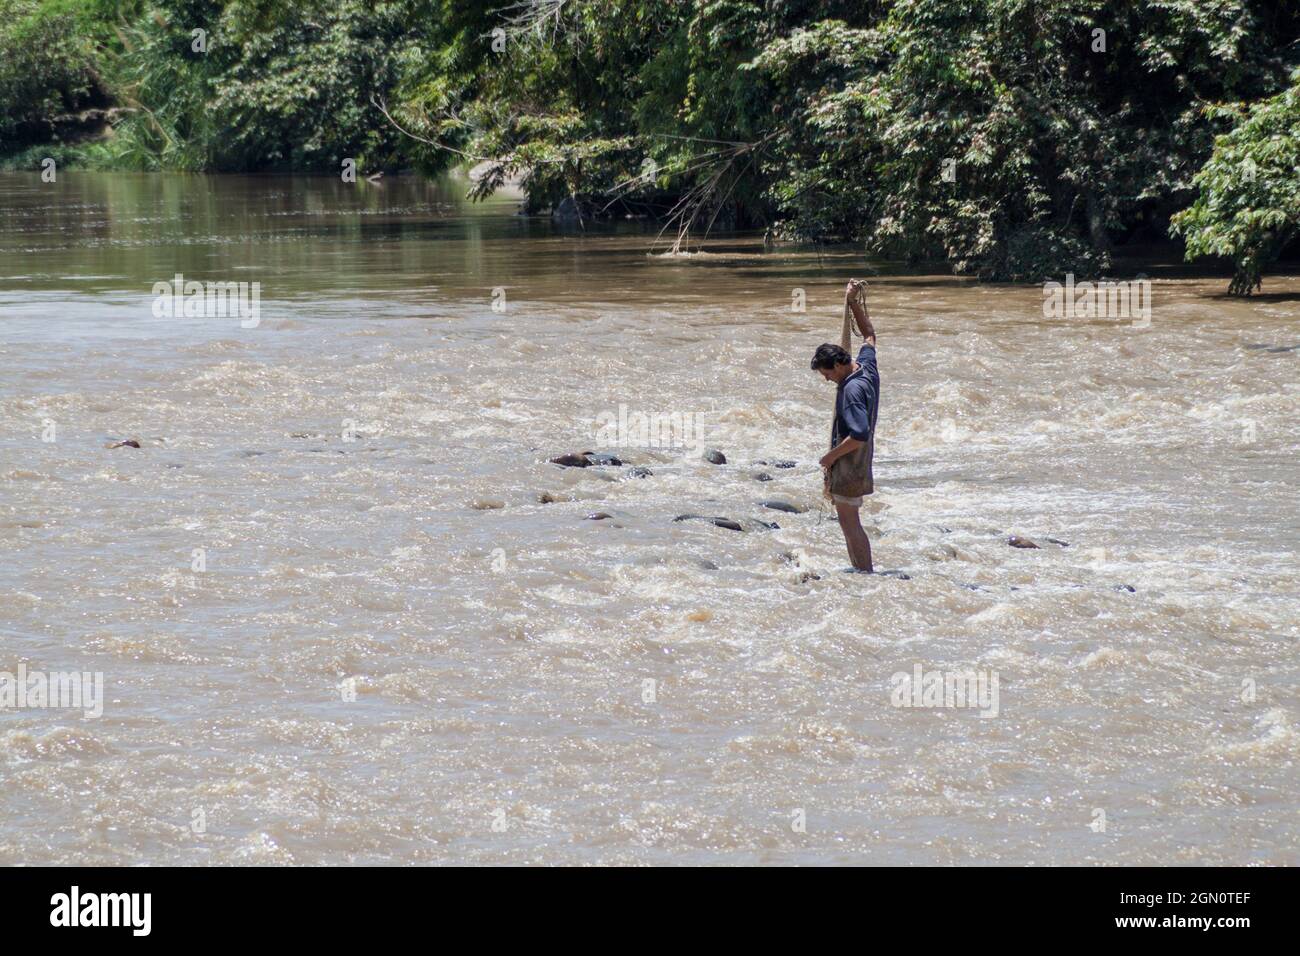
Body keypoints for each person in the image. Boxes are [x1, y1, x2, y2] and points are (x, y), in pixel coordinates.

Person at [810, 280, 879, 572]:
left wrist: (830, 458)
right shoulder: (865, 367)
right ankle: (862, 571)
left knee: (850, 525)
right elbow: (870, 335)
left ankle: (864, 574)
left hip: (851, 463)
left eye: (826, 374)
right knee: (851, 524)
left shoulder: (850, 392)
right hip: (862, 459)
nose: (826, 380)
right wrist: (851, 303)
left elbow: (859, 434)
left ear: (837, 367)